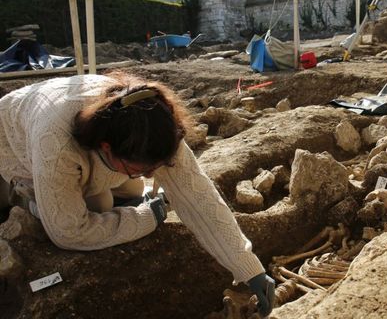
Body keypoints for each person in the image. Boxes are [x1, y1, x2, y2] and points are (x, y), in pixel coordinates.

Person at [0, 72, 275, 316]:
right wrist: (146, 218)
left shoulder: (153, 125)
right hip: (16, 141)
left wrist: (248, 266)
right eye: (140, 168)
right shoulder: (57, 145)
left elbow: (198, 195)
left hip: (84, 135)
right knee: (100, 204)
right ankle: (27, 197)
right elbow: (68, 231)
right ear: (107, 147)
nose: (151, 176)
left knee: (132, 188)